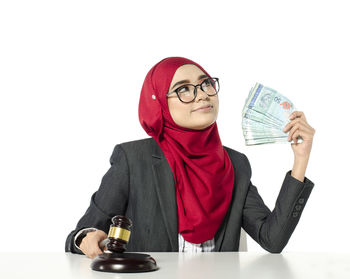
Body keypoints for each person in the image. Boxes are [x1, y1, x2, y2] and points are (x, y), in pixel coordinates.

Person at [65, 57, 315, 259]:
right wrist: (86, 238)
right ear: (159, 103)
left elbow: (271, 240)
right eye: (183, 89)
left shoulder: (235, 164)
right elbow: (81, 234)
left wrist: (300, 160)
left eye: (206, 83)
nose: (202, 94)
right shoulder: (133, 159)